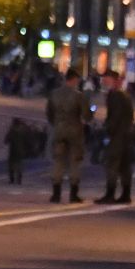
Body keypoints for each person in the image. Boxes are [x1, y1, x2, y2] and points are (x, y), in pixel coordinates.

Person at [46, 68, 87, 204]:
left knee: (58, 161)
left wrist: (56, 124)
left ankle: (56, 193)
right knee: (74, 162)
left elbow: (49, 114)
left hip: (59, 131)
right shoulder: (78, 95)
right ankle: (73, 194)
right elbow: (86, 115)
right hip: (74, 132)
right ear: (74, 79)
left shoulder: (54, 94)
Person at [95, 70, 134, 205]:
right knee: (124, 166)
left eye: (106, 79)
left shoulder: (115, 95)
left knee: (112, 164)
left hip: (117, 136)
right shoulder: (125, 95)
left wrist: (108, 131)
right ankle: (126, 194)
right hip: (126, 136)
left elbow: (114, 117)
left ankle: (110, 194)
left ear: (114, 80)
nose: (104, 82)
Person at [5, 117, 33, 185]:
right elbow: (27, 140)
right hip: (20, 150)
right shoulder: (22, 131)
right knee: (19, 165)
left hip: (13, 151)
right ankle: (19, 180)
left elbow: (6, 140)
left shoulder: (12, 131)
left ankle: (12, 180)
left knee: (11, 165)